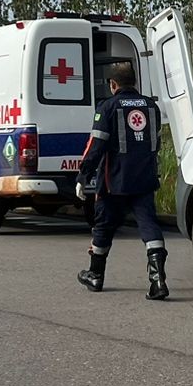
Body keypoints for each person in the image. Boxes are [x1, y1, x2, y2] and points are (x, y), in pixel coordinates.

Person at [75, 60, 169, 299]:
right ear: (134, 82)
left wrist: (83, 175)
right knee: (149, 226)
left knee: (104, 225)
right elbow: (153, 143)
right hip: (145, 179)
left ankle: (95, 275)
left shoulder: (107, 107)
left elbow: (95, 146)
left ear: (112, 84)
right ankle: (158, 282)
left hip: (114, 179)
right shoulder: (151, 107)